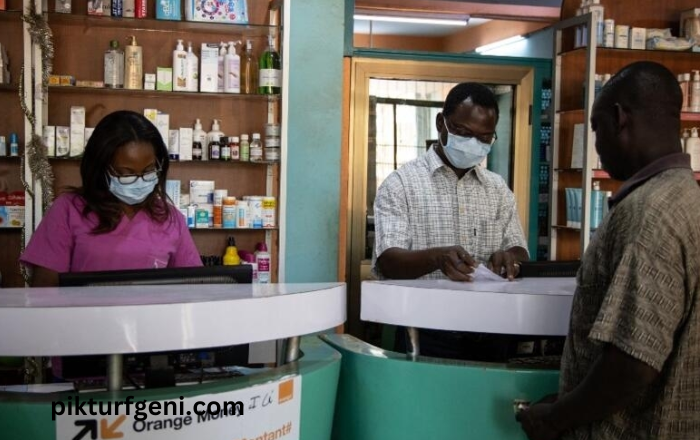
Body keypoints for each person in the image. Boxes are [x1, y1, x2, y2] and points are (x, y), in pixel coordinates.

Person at [517, 61, 700, 440]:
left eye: (596, 128)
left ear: (619, 119)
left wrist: (555, 418)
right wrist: (569, 398)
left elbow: (632, 361)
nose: (595, 145)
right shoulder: (688, 198)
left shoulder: (647, 215)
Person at [372, 82, 529, 359]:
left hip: (492, 328)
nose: (473, 144)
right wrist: (437, 258)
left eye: (484, 138)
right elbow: (388, 261)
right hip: (425, 330)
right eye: (463, 132)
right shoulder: (401, 184)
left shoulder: (497, 188)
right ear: (440, 123)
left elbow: (518, 249)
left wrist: (509, 257)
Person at [20, 110, 202, 287]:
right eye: (126, 174)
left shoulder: (170, 218)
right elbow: (44, 293)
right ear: (101, 167)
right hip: (83, 317)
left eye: (148, 171)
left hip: (150, 318)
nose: (139, 180)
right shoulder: (69, 210)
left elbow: (195, 285)